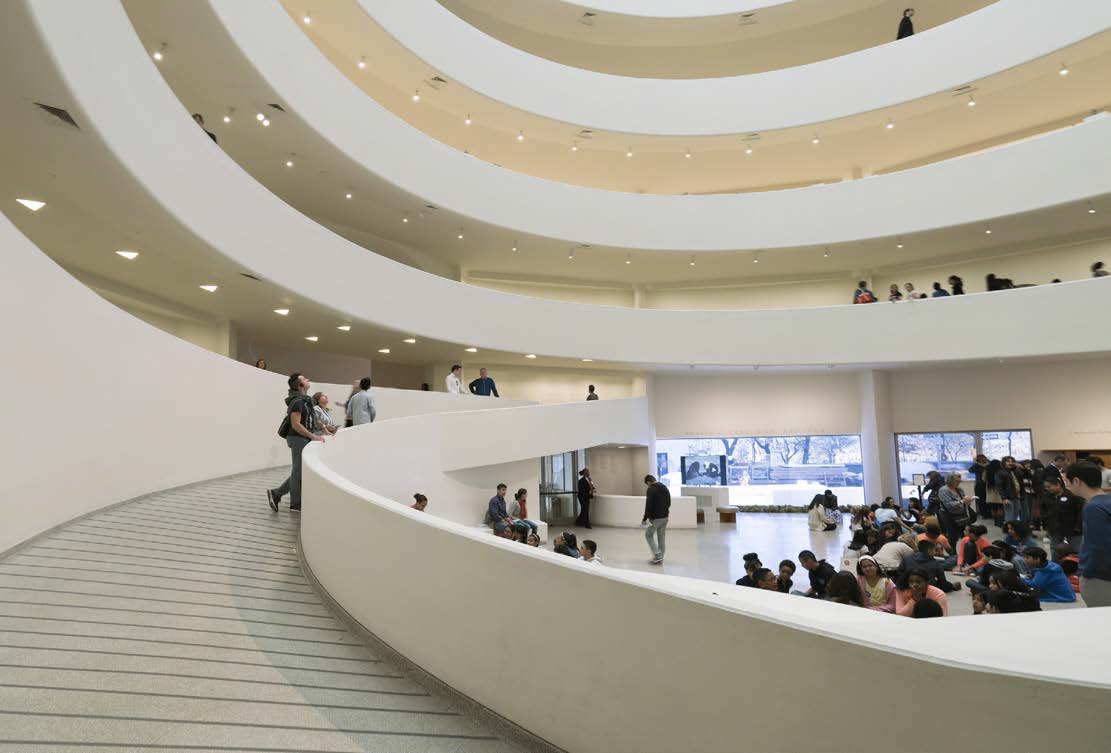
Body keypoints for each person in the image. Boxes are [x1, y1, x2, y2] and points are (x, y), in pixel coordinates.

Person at [267, 373, 322, 513]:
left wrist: (322, 430)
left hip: (301, 438)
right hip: (298, 438)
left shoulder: (304, 400)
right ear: (300, 385)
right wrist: (312, 436)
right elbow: (296, 424)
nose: (308, 379)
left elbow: (308, 421)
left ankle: (277, 494)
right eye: (304, 378)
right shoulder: (298, 401)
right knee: (298, 472)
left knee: (299, 471)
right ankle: (294, 504)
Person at [1066, 461, 1111, 607]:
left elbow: (1100, 548)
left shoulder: (1093, 507)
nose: (1066, 486)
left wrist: (1087, 573)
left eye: (1067, 481)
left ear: (1077, 481)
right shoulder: (1106, 501)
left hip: (1100, 578)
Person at [1042, 475, 1084, 559]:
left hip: (1072, 529)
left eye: (1049, 486)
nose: (1047, 489)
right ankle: (1055, 567)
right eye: (1046, 487)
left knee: (1077, 550)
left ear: (1057, 484)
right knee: (1054, 549)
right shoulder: (1046, 496)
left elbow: (1080, 512)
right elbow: (1043, 510)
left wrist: (1078, 527)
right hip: (1055, 528)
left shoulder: (1072, 495)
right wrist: (1047, 524)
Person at [937, 472, 972, 547]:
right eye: (957, 481)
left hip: (961, 515)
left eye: (959, 481)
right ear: (950, 480)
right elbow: (948, 505)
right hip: (949, 516)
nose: (958, 483)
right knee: (952, 537)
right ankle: (952, 555)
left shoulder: (959, 489)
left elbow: (964, 500)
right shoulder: (943, 490)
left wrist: (968, 501)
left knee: (967, 535)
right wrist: (962, 501)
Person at [642, 475, 670, 565]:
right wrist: (664, 511)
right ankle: (660, 557)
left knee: (648, 535)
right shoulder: (664, 487)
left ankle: (657, 555)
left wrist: (645, 518)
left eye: (647, 484)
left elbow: (648, 505)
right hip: (665, 517)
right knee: (661, 537)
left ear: (648, 482)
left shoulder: (651, 489)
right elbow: (669, 502)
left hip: (656, 519)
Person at [995, 456, 1022, 522]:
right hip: (1008, 497)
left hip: (1017, 496)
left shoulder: (1015, 471)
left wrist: (1019, 468)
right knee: (1010, 516)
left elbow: (1022, 478)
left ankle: (1014, 530)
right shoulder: (1000, 472)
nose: (1010, 463)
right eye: (1008, 461)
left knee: (1015, 515)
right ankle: (1008, 530)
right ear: (1004, 463)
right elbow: (999, 486)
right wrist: (1004, 498)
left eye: (1012, 461)